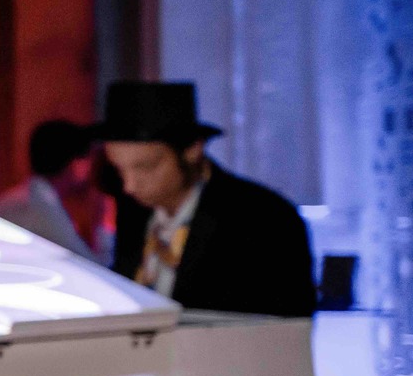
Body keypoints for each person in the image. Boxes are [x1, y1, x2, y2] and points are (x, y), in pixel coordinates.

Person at [97, 80, 315, 317]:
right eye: (120, 169)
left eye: (146, 167)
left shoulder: (263, 219)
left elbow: (284, 322)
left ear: (192, 150)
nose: (129, 186)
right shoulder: (134, 211)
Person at [0, 120, 98, 258]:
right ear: (76, 163)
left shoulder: (29, 196)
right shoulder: (40, 205)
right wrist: (104, 215)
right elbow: (88, 263)